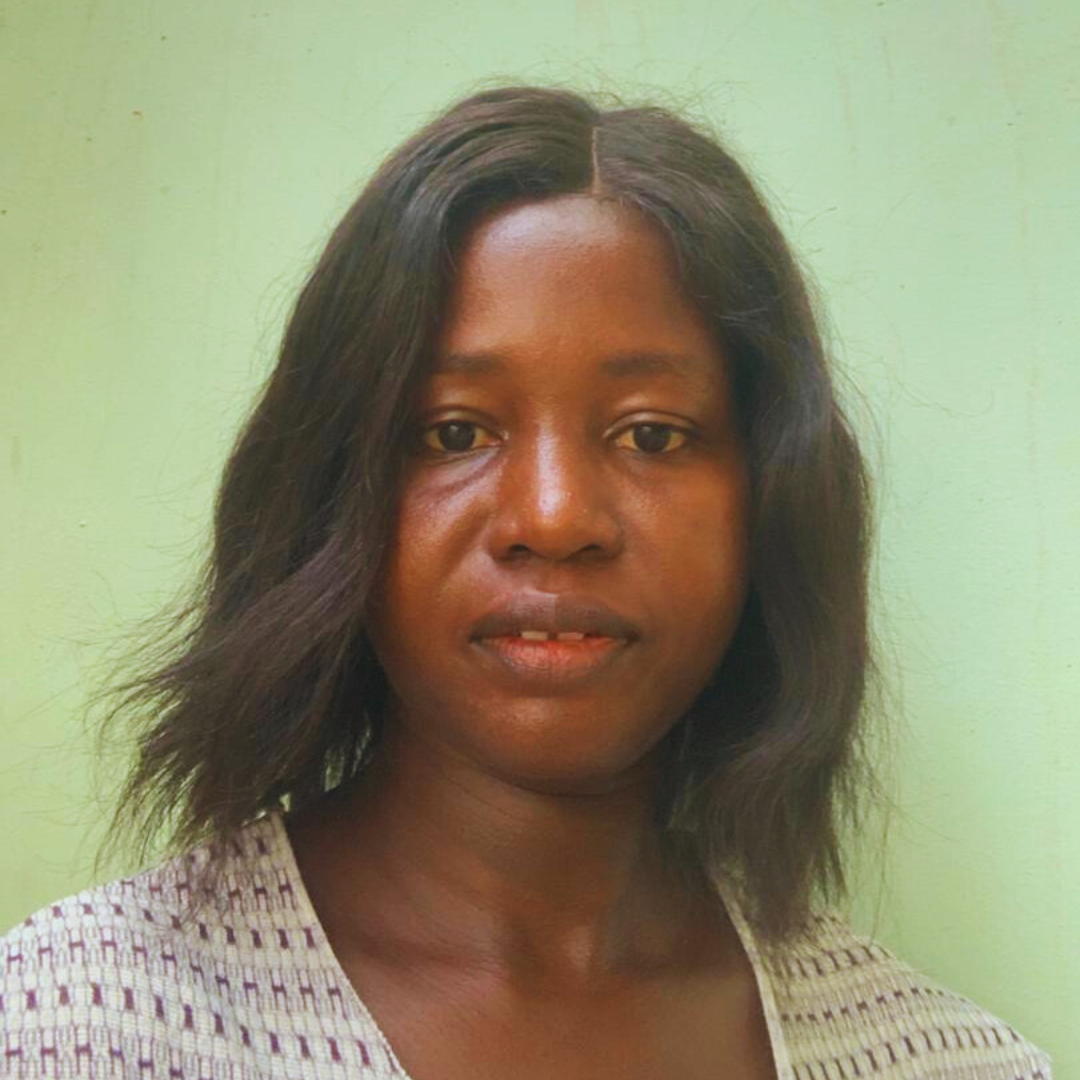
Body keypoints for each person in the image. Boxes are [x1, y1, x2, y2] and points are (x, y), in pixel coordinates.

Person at [1, 85, 1050, 1080]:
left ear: (770, 501)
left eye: (652, 434)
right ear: (329, 493)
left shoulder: (945, 1059)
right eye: (454, 432)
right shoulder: (76, 1024)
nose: (555, 517)